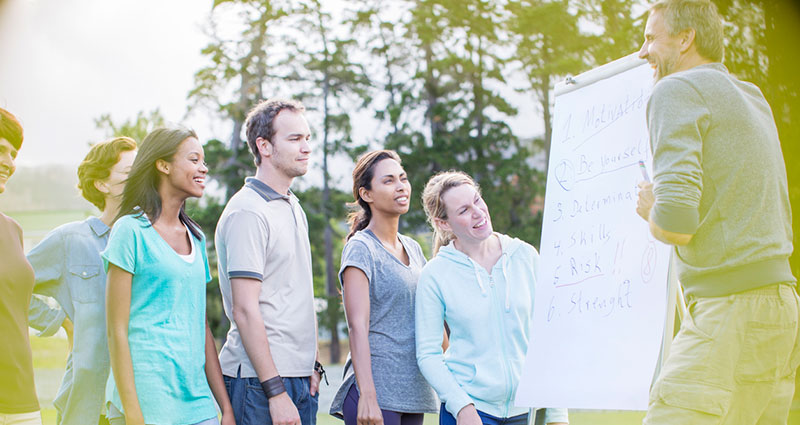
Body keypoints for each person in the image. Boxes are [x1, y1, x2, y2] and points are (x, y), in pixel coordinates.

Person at [634, 1, 799, 423]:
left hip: (731, 313)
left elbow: (676, 222)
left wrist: (652, 212)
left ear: (686, 38)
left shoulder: (675, 90)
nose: (642, 51)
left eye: (651, 38)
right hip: (781, 308)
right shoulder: (751, 95)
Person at [103, 126, 234, 425]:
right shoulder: (130, 231)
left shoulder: (197, 238)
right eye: (193, 159)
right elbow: (117, 330)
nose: (203, 168)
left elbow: (201, 328)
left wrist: (224, 406)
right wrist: (133, 413)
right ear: (162, 165)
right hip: (147, 399)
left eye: (203, 161)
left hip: (197, 402)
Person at [415, 171, 568, 425]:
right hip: (471, 412)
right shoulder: (435, 274)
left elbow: (549, 338)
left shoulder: (525, 257)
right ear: (444, 223)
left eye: (477, 200)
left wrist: (557, 413)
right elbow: (428, 354)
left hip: (527, 411)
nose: (478, 212)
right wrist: (462, 406)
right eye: (463, 210)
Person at [215, 99, 321, 425]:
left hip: (298, 377)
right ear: (264, 146)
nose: (306, 148)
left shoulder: (292, 205)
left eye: (307, 138)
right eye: (294, 139)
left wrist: (312, 364)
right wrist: (275, 391)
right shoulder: (248, 211)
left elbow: (292, 291)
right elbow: (244, 309)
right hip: (260, 384)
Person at [26, 136, 136, 425]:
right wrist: (59, 319)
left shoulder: (155, 239)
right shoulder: (70, 239)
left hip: (146, 401)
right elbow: (8, 287)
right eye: (128, 173)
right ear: (102, 184)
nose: (140, 178)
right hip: (89, 403)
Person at [329, 150, 438, 425]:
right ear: (367, 194)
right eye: (388, 181)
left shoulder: (413, 248)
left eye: (402, 178)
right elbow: (357, 326)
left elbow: (430, 319)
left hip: (413, 393)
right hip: (376, 396)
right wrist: (367, 394)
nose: (401, 186)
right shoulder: (361, 248)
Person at [0, 107, 42, 424]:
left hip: (21, 399)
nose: (9, 163)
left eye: (13, 153)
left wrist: (62, 319)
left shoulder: (12, 229)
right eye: (1, 150)